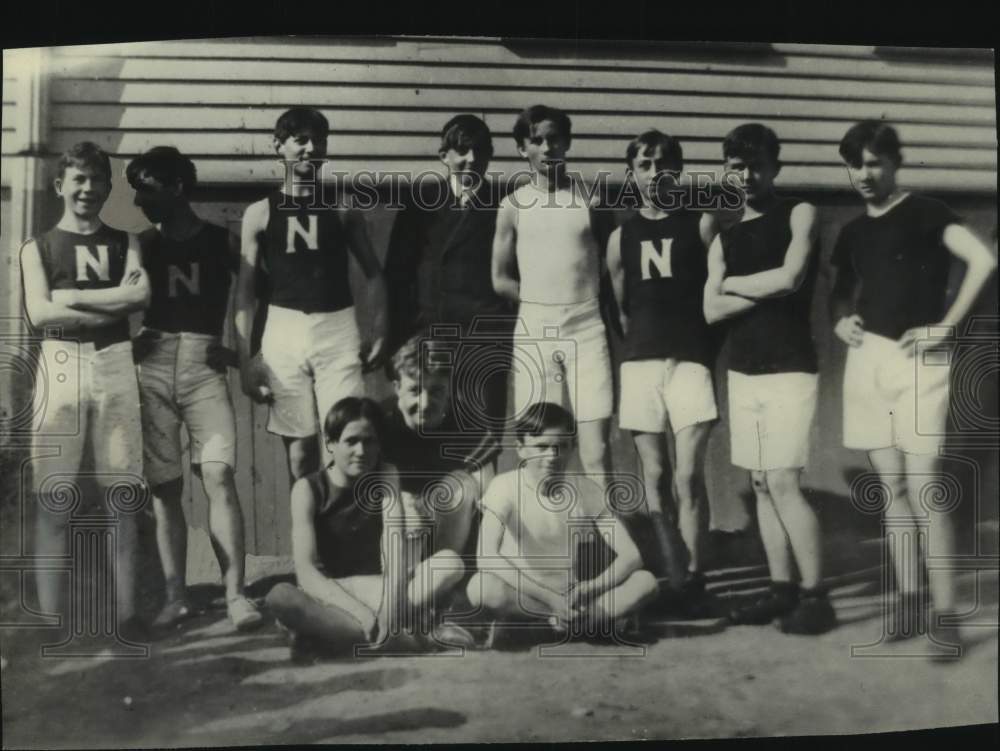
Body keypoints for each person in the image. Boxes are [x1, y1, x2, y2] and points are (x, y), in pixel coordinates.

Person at [830, 120, 996, 657]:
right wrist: (841, 322)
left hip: (919, 360)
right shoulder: (853, 231)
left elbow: (984, 260)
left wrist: (946, 326)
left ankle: (946, 616)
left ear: (896, 162)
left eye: (874, 162)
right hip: (868, 360)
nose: (864, 174)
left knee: (925, 488)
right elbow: (839, 294)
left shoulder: (927, 212)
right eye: (855, 164)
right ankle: (908, 600)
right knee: (894, 488)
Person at [703, 123, 835, 635]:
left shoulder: (799, 212)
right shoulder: (725, 236)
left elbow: (792, 277)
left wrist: (732, 283)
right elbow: (711, 311)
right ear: (727, 172)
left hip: (789, 367)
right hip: (744, 369)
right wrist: (744, 287)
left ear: (775, 167)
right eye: (737, 166)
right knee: (759, 483)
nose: (748, 175)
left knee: (782, 480)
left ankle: (815, 595)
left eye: (757, 165)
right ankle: (782, 589)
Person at [126, 146, 262, 632]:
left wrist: (242, 352)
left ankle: (236, 595)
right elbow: (122, 299)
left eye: (147, 189)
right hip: (155, 362)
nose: (139, 200)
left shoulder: (220, 242)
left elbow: (262, 292)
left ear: (176, 187)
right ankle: (175, 597)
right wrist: (131, 344)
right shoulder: (142, 244)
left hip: (205, 364)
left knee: (219, 474)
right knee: (165, 487)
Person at [20, 141, 151, 642]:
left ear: (107, 187)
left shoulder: (126, 242)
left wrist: (72, 295)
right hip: (61, 364)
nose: (88, 189)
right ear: (60, 186)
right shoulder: (38, 246)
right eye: (78, 180)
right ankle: (49, 619)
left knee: (122, 492)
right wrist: (111, 303)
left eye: (97, 180)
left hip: (115, 361)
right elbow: (41, 314)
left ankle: (125, 615)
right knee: (55, 494)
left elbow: (140, 297)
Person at [235, 107, 387, 483]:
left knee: (346, 441)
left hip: (336, 328)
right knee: (300, 454)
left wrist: (380, 330)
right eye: (300, 140)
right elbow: (245, 293)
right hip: (283, 330)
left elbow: (375, 274)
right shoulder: (259, 212)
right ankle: (307, 539)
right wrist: (246, 361)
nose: (310, 149)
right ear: (279, 146)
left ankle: (346, 538)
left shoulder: (343, 208)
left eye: (318, 141)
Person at [264, 397, 473, 661]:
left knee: (450, 564)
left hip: (381, 588)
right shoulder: (308, 489)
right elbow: (306, 572)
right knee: (279, 596)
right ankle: (407, 640)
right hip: (333, 592)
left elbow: (394, 549)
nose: (361, 451)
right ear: (330, 443)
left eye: (370, 441)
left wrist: (390, 606)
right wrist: (362, 613)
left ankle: (329, 637)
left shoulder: (386, 474)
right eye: (351, 441)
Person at [606, 130, 719, 610]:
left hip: (689, 360)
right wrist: (643, 345)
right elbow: (620, 307)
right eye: (645, 165)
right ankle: (672, 574)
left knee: (688, 475)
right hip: (641, 363)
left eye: (664, 164)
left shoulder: (703, 225)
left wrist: (692, 346)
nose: (656, 174)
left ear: (679, 170)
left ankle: (695, 579)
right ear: (633, 172)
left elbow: (716, 298)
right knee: (655, 473)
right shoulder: (620, 237)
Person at [492, 104, 613, 481]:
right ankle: (540, 538)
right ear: (521, 149)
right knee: (538, 447)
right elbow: (500, 278)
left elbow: (613, 265)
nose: (547, 148)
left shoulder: (590, 200)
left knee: (596, 451)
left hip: (586, 327)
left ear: (568, 142)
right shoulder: (513, 206)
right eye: (537, 140)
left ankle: (601, 537)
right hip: (535, 328)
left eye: (554, 139)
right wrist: (539, 302)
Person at [467, 402, 657, 640]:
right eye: (541, 447)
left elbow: (632, 555)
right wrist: (550, 600)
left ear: (572, 448)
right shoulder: (504, 486)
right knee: (481, 587)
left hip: (572, 596)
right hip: (525, 594)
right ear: (521, 448)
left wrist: (592, 588)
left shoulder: (585, 489)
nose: (552, 456)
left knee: (646, 581)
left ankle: (559, 625)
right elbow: (486, 556)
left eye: (561, 447)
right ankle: (572, 624)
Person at [383, 114, 514, 433]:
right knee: (430, 430)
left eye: (480, 151)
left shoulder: (506, 205)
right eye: (462, 151)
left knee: (482, 435)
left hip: (484, 337)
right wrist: (397, 341)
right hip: (428, 339)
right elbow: (397, 276)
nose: (471, 159)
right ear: (444, 156)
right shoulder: (420, 203)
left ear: (490, 155)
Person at [381, 332, 501, 585]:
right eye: (414, 390)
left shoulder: (467, 421)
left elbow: (490, 500)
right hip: (394, 531)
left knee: (462, 485)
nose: (424, 403)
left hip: (447, 532)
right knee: (399, 500)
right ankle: (400, 590)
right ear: (397, 388)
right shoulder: (379, 421)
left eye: (436, 391)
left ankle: (443, 585)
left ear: (449, 389)